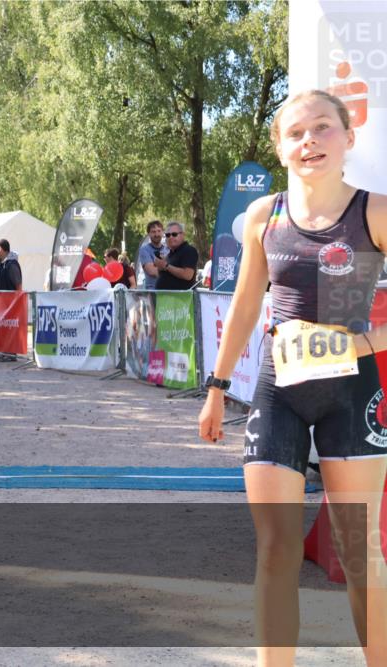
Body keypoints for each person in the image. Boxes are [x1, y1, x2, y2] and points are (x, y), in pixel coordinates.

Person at [198, 89, 386, 667]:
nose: (311, 141)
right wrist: (217, 388)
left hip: (351, 395)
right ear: (280, 148)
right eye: (297, 133)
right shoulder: (264, 216)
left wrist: (360, 341)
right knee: (276, 550)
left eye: (323, 128)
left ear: (348, 137)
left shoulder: (374, 211)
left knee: (359, 552)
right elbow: (246, 304)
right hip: (279, 392)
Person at [152, 222, 198, 290]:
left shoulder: (189, 250)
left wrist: (166, 266)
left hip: (180, 298)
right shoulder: (170, 254)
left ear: (183, 235)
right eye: (167, 235)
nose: (170, 237)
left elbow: (187, 275)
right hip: (164, 297)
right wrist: (160, 267)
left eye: (174, 234)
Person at [138, 220, 166, 289]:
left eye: (159, 231)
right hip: (153, 291)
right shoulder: (144, 249)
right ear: (149, 234)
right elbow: (152, 271)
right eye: (153, 232)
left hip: (168, 290)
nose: (156, 234)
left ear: (162, 232)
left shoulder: (168, 249)